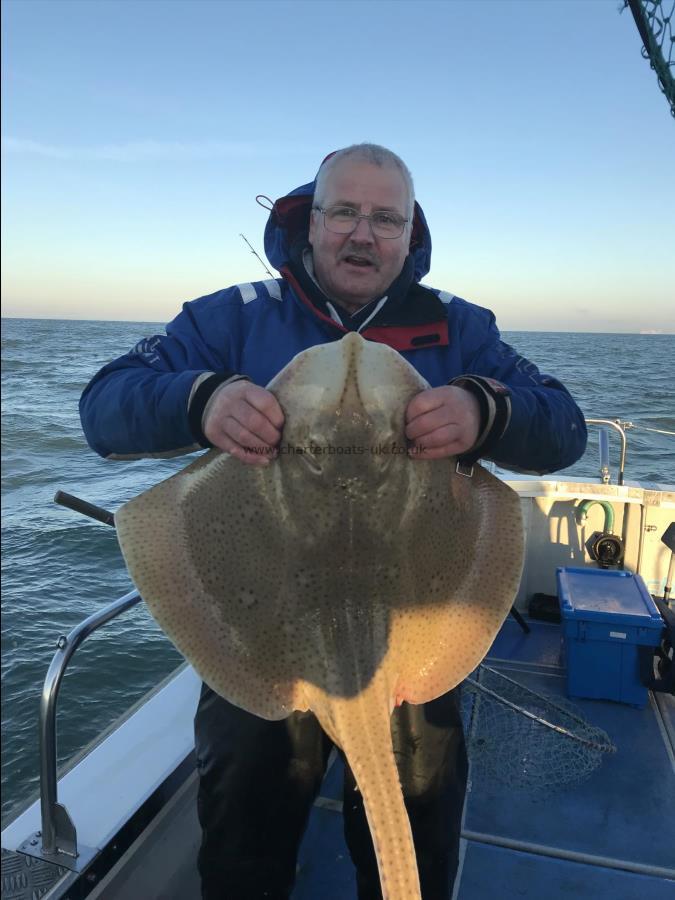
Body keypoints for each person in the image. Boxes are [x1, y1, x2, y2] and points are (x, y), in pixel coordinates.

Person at [80, 143, 587, 899]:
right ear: (308, 223)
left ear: (409, 233)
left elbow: (564, 430)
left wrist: (488, 409)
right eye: (343, 212)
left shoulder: (459, 329)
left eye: (384, 219)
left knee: (415, 826)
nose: (362, 233)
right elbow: (105, 406)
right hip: (263, 633)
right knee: (246, 831)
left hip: (412, 628)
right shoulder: (231, 318)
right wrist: (202, 399)